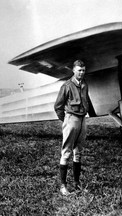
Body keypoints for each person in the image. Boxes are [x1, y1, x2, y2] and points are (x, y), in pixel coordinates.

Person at [54, 60, 90, 195]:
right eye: (79, 70)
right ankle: (63, 186)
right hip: (71, 119)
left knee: (78, 152)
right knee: (66, 152)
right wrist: (66, 121)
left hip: (82, 119)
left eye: (83, 70)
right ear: (73, 70)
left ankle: (77, 183)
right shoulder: (67, 86)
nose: (81, 73)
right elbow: (58, 106)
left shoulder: (85, 84)